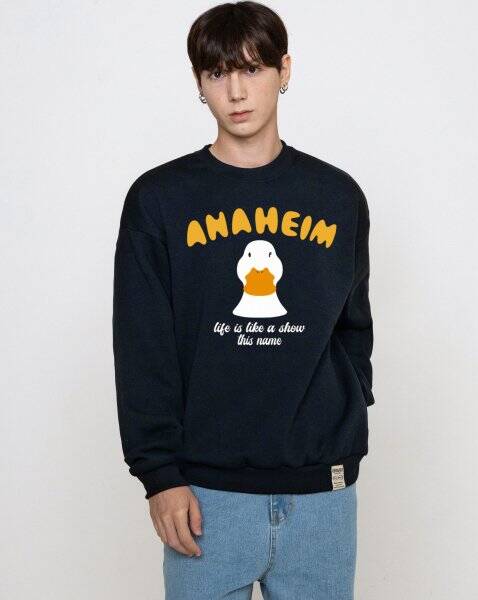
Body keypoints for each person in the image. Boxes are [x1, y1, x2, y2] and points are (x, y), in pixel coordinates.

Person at [112, 2, 375, 598]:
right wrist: (159, 474)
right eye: (217, 73)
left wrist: (347, 405)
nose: (236, 91)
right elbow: (142, 344)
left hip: (322, 499)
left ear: (285, 71)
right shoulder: (160, 199)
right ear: (199, 83)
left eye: (252, 69)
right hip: (205, 497)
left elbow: (353, 325)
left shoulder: (336, 196)